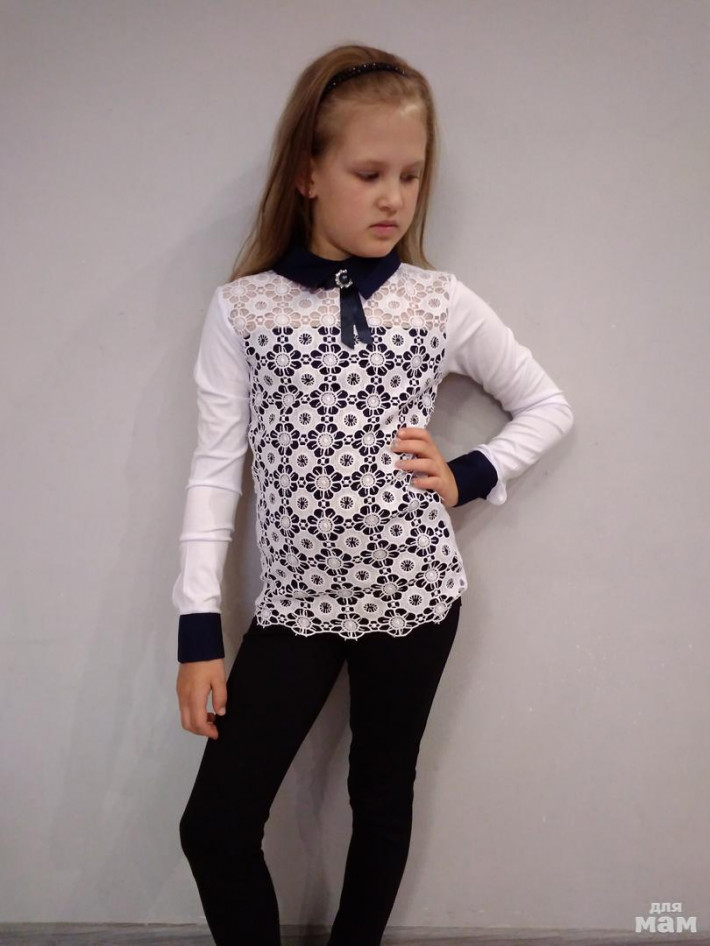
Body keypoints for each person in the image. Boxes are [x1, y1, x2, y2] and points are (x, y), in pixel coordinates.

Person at [172, 43, 573, 946]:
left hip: (416, 598)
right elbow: (213, 471)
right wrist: (198, 632)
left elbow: (547, 405)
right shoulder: (244, 310)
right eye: (369, 173)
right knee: (215, 826)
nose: (394, 198)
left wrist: (469, 474)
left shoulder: (438, 302)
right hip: (297, 611)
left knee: (381, 796)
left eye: (411, 175)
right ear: (308, 174)